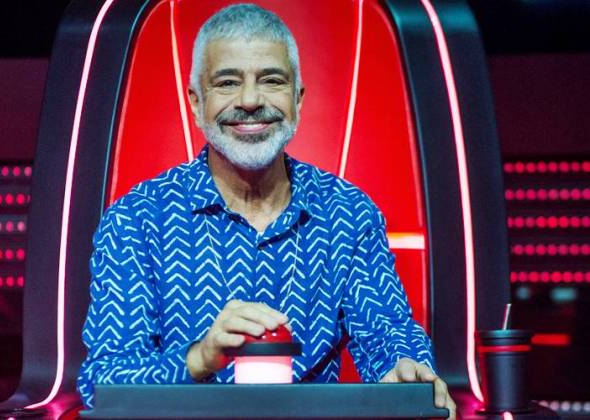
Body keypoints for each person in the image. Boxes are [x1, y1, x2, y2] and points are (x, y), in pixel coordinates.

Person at [77, 3, 456, 418]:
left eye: (271, 81)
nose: (251, 101)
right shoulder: (136, 220)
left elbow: (387, 334)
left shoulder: (348, 212)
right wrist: (199, 358)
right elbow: (103, 385)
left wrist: (406, 372)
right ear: (196, 102)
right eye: (227, 83)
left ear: (298, 98)